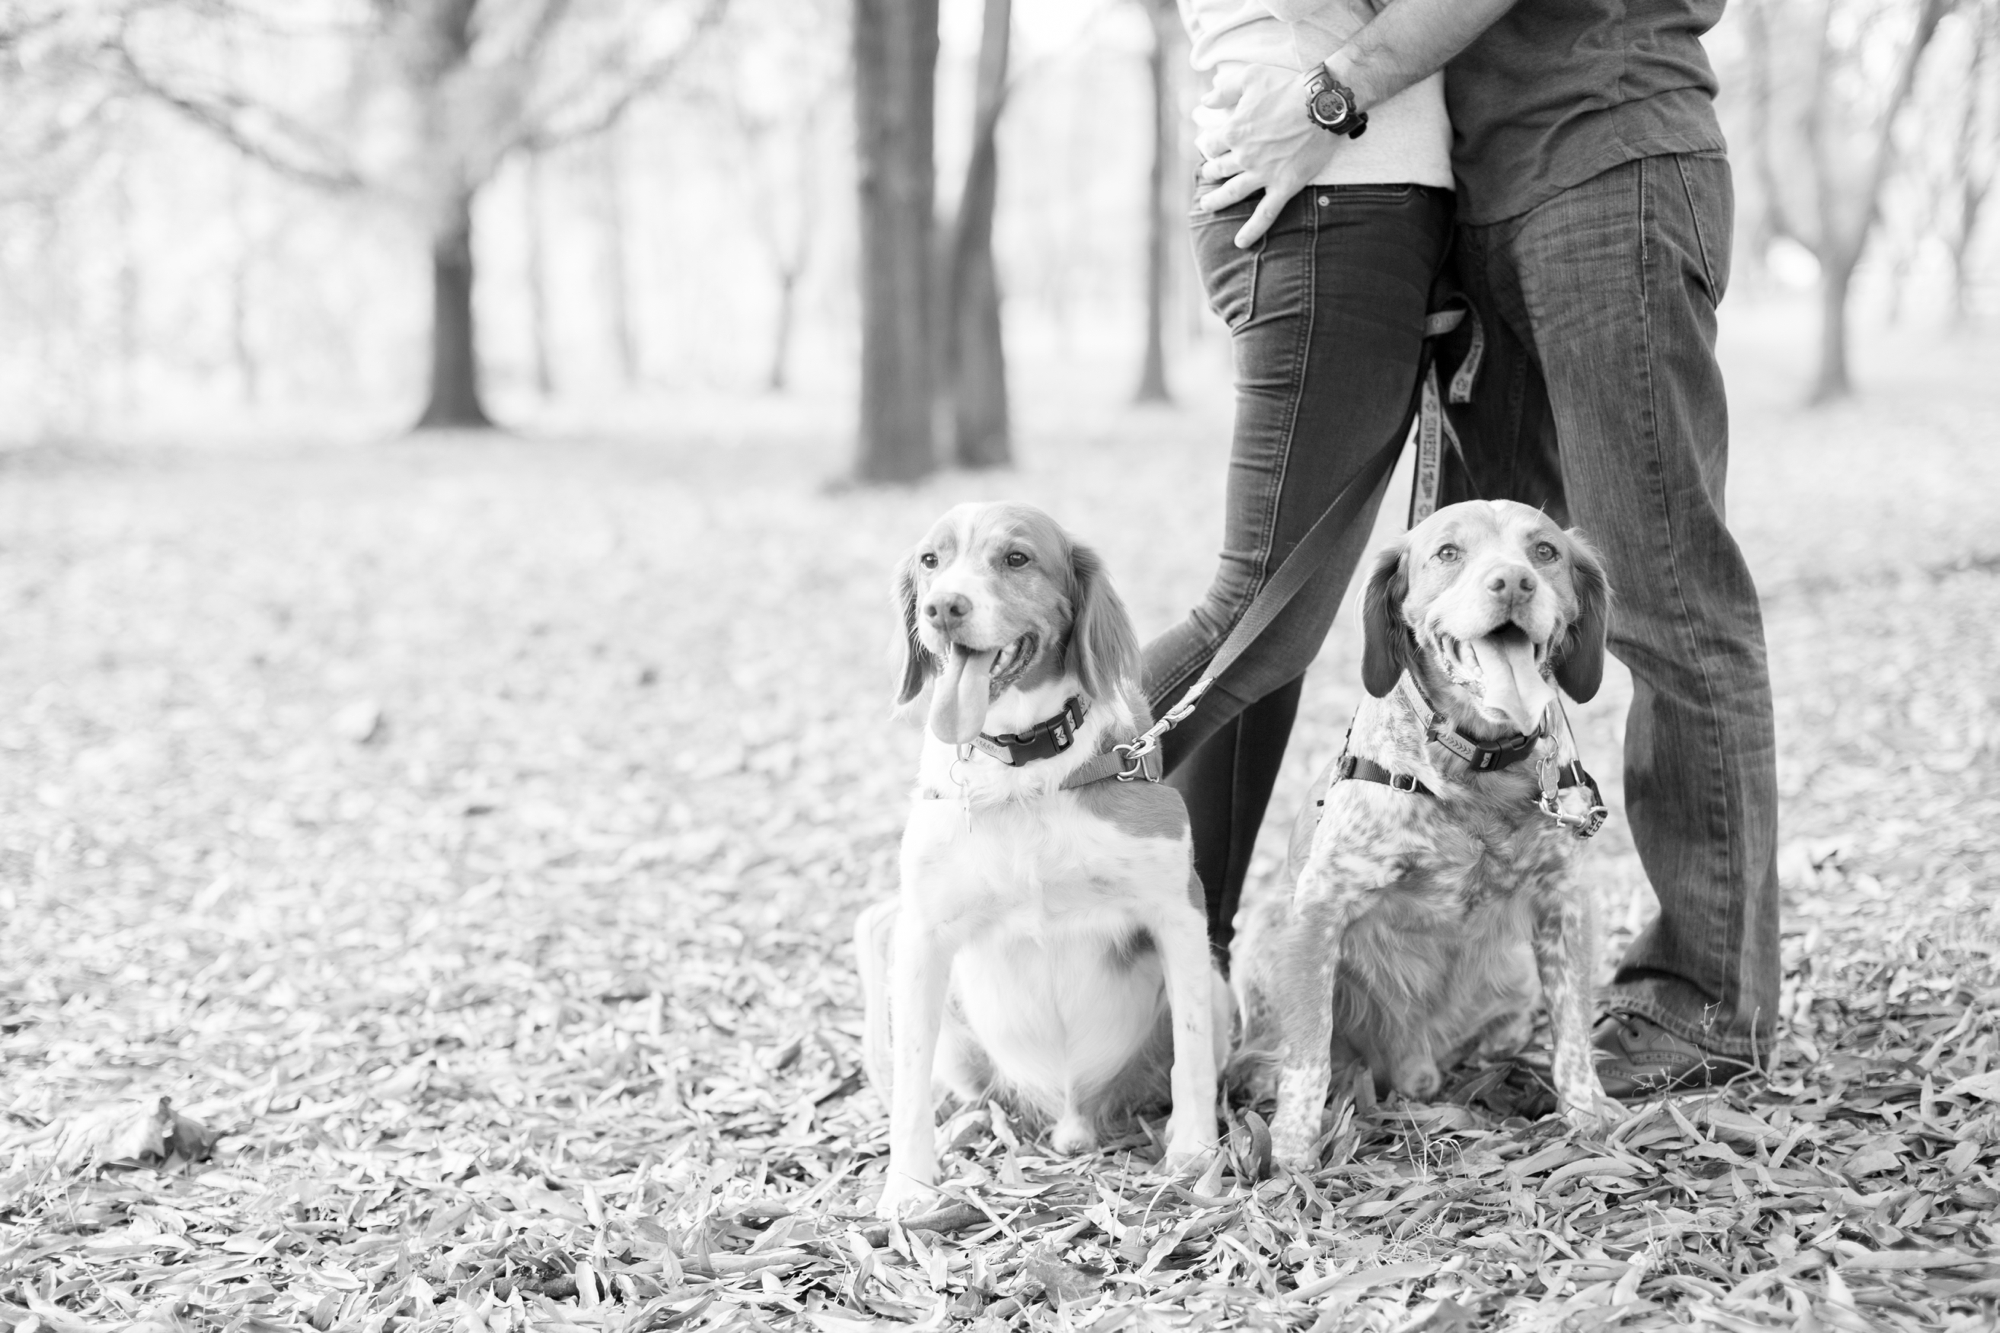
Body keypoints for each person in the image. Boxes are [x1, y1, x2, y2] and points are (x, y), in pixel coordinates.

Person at [1192, 0, 1780, 1097]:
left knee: (1661, 597)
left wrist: (1326, 96)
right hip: (1488, 200)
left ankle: (1707, 1000)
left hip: (1603, 156)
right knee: (1472, 616)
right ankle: (1457, 1006)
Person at [1142, 0, 1455, 960]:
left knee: (1274, 637)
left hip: (1343, 203)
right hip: (1333, 205)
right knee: (1255, 617)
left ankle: (1197, 964)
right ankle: (991, 803)